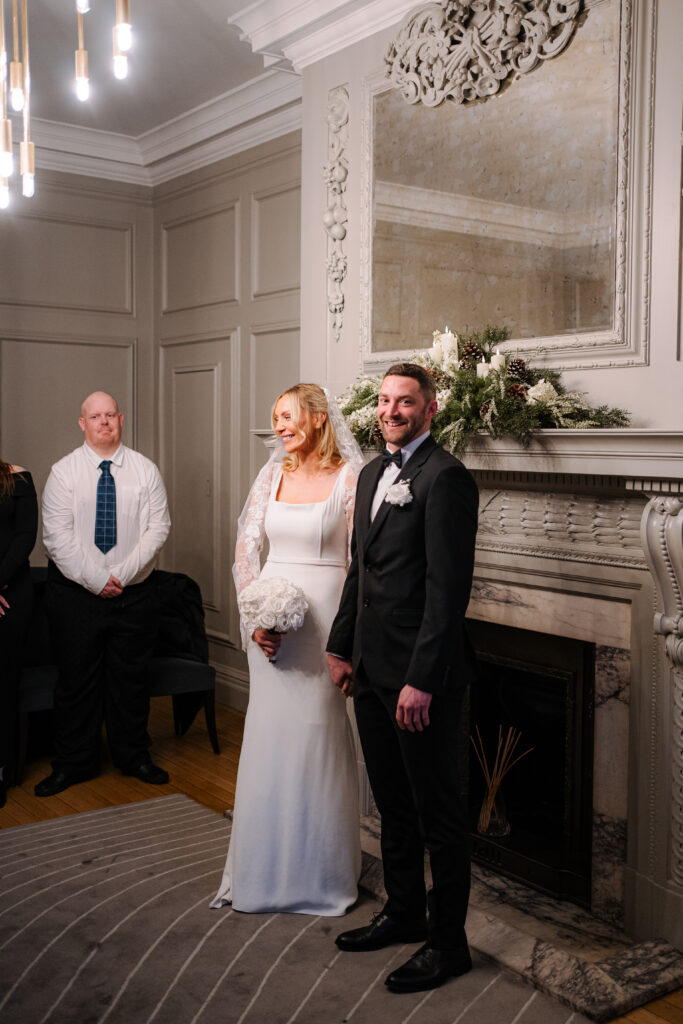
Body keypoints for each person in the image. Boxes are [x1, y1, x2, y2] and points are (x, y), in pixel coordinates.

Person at [328, 362, 479, 994]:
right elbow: (358, 570)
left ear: (431, 409)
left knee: (438, 812)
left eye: (406, 402)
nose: (392, 410)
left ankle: (448, 944)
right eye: (386, 400)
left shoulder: (447, 479)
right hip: (370, 669)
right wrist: (341, 647)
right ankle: (403, 911)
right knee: (392, 804)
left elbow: (449, 593)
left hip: (423, 680)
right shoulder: (368, 474)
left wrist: (421, 679)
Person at [210, 383, 363, 915]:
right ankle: (262, 871)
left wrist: (348, 636)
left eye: (290, 416)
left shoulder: (351, 478)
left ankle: (321, 875)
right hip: (270, 623)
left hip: (326, 624)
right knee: (270, 737)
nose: (279, 426)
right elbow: (246, 548)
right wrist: (256, 617)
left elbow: (361, 562)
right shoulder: (272, 474)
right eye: (275, 417)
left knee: (318, 739)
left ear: (319, 419)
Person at [35, 391, 171, 797]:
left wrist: (121, 576)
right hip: (75, 595)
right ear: (82, 423)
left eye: (110, 415)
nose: (104, 422)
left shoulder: (145, 471)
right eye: (95, 416)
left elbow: (158, 529)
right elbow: (56, 538)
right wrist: (96, 579)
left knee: (131, 680)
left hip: (134, 593)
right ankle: (74, 763)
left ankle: (134, 757)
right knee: (77, 682)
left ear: (121, 418)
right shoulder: (63, 473)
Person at [0, 458, 38, 808]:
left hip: (11, 595)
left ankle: (2, 770)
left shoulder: (17, 477)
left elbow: (25, 537)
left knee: (3, 685)